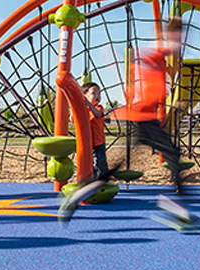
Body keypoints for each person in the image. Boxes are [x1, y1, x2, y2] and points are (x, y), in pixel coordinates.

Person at [59, 17, 192, 224]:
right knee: (173, 156)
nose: (180, 42)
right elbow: (147, 63)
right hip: (145, 118)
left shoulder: (159, 57)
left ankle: (80, 194)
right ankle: (177, 209)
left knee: (120, 165)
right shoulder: (158, 54)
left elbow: (149, 69)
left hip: (147, 119)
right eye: (178, 37)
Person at [82, 81, 108, 180]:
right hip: (87, 143)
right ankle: (92, 180)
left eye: (99, 93)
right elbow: (72, 119)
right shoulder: (83, 110)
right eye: (93, 93)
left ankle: (103, 180)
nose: (97, 96)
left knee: (100, 162)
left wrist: (89, 104)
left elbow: (97, 114)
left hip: (98, 142)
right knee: (89, 164)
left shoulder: (98, 108)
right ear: (85, 95)